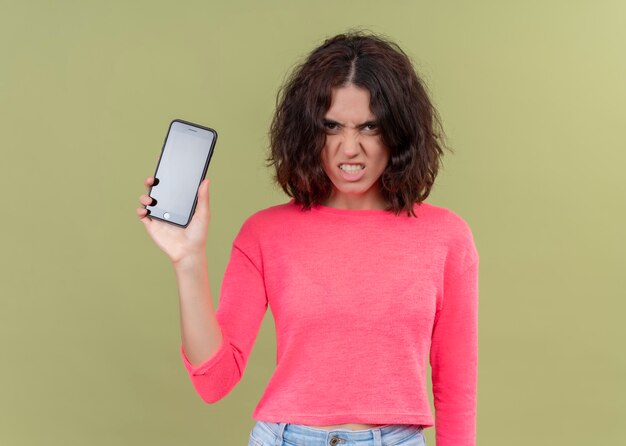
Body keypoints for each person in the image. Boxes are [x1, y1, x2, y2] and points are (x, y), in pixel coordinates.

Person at [137, 31, 479, 446]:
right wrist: (187, 260)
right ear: (308, 132)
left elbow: (456, 391)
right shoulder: (265, 233)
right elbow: (214, 382)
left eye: (369, 127)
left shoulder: (446, 237)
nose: (349, 148)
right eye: (331, 126)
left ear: (398, 131)